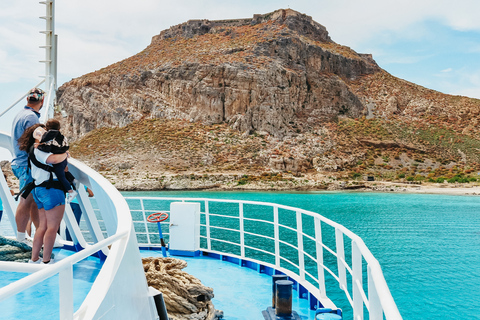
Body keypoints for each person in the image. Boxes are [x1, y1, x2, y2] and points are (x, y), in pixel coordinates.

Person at [17, 124, 68, 264]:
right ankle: (46, 260)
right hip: (52, 190)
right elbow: (54, 160)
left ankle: (34, 258)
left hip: (39, 190)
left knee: (43, 227)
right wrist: (66, 153)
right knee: (52, 227)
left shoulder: (32, 150)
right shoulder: (40, 150)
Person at [10, 88, 44, 245]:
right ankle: (21, 237)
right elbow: (36, 144)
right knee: (26, 201)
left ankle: (38, 235)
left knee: (33, 201)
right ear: (42, 101)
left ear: (27, 100)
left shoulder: (20, 115)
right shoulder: (31, 118)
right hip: (27, 166)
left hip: (19, 162)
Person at [34, 119, 77, 201]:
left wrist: (38, 146)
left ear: (46, 129)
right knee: (64, 171)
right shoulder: (62, 136)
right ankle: (73, 180)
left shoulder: (50, 136)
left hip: (58, 161)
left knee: (60, 175)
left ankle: (71, 191)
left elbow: (47, 147)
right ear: (59, 129)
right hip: (64, 159)